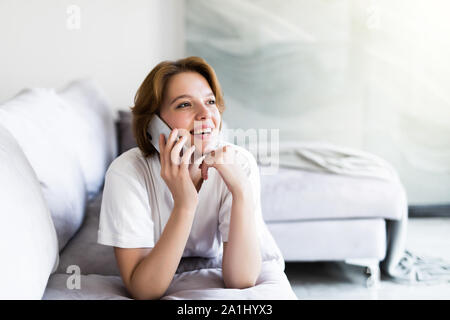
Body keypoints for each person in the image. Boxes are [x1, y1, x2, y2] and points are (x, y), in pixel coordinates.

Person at [97, 56, 262, 300]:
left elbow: (241, 280)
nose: (206, 113)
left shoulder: (240, 164)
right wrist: (185, 204)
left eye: (210, 101)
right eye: (185, 104)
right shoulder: (126, 174)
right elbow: (144, 290)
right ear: (154, 124)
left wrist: (241, 192)